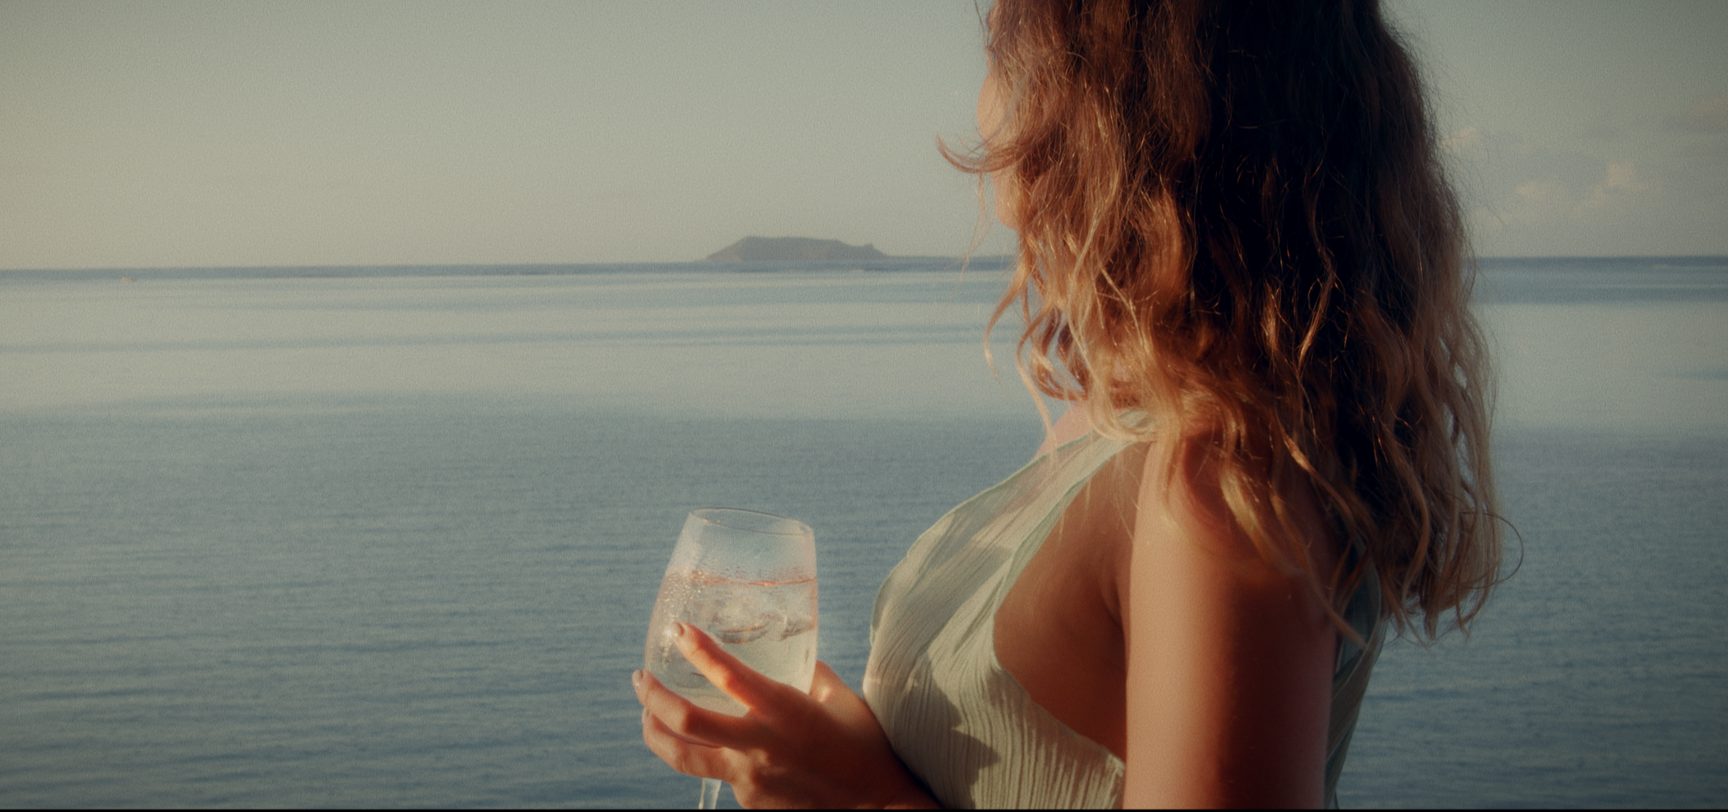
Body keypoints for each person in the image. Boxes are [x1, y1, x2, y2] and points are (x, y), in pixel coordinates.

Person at [631, 0, 1501, 806]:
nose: (982, 98)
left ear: (1089, 115)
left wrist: (857, 792)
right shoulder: (1118, 416)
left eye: (1001, 49)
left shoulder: (1215, 488)